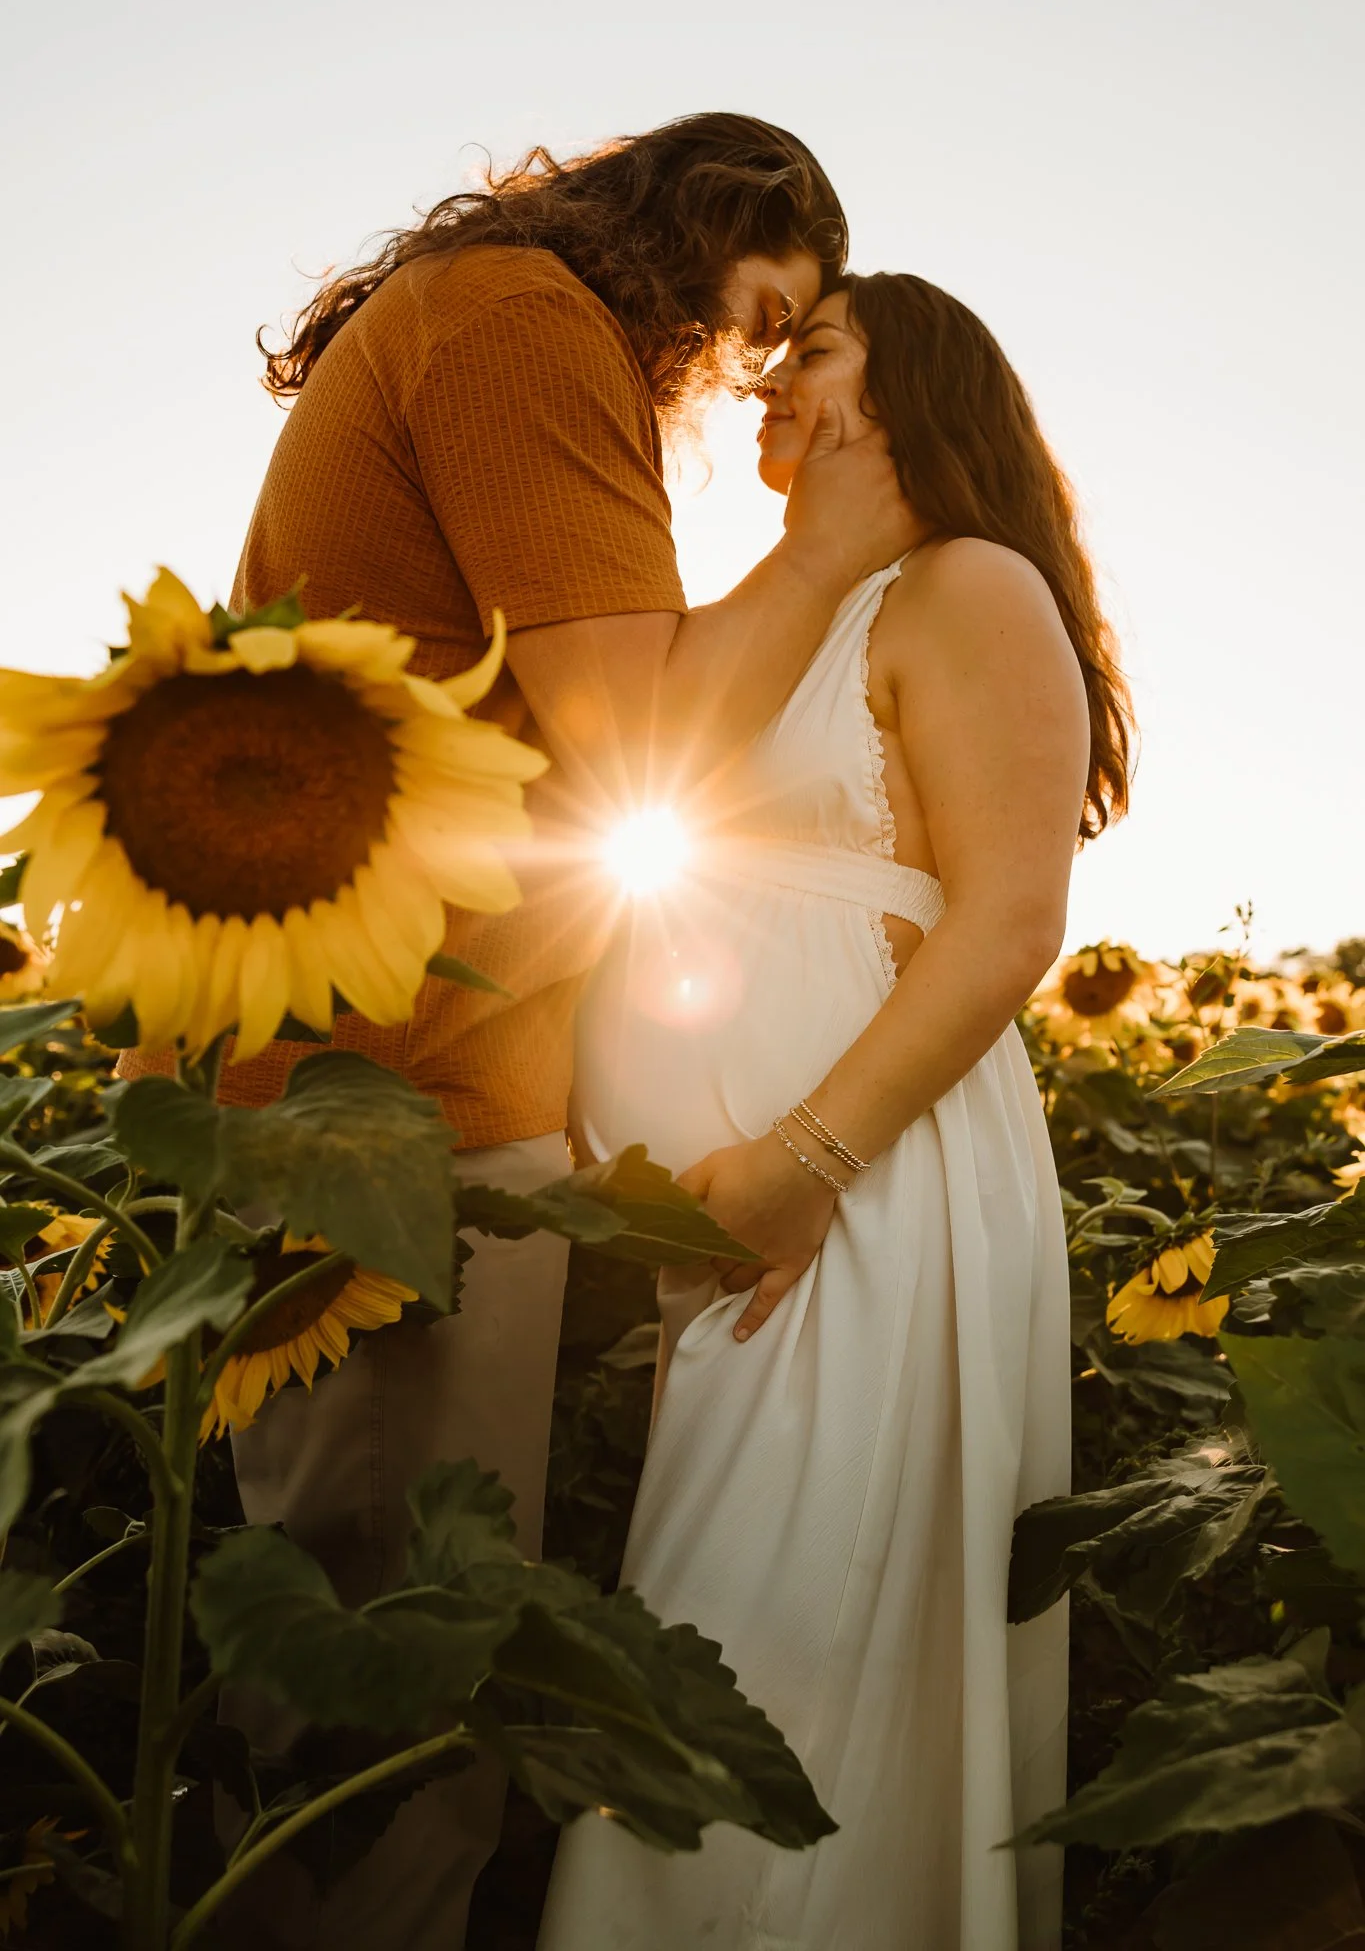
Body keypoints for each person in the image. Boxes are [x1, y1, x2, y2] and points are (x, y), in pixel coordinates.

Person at [117, 114, 918, 1951]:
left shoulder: (472, 315)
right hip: (388, 1100)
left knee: (365, 1656)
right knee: (390, 1723)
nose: (747, 368)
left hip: (365, 1070)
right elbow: (632, 719)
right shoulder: (524, 325)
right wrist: (821, 565)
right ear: (705, 231)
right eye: (761, 313)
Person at [539, 274, 1133, 1951]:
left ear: (914, 386)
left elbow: (1013, 920)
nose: (765, 389)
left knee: (782, 1648)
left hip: (862, 1186)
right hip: (743, 1220)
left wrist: (804, 1163)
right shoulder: (804, 596)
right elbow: (628, 772)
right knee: (723, 1642)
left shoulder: (968, 587)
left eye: (814, 352)